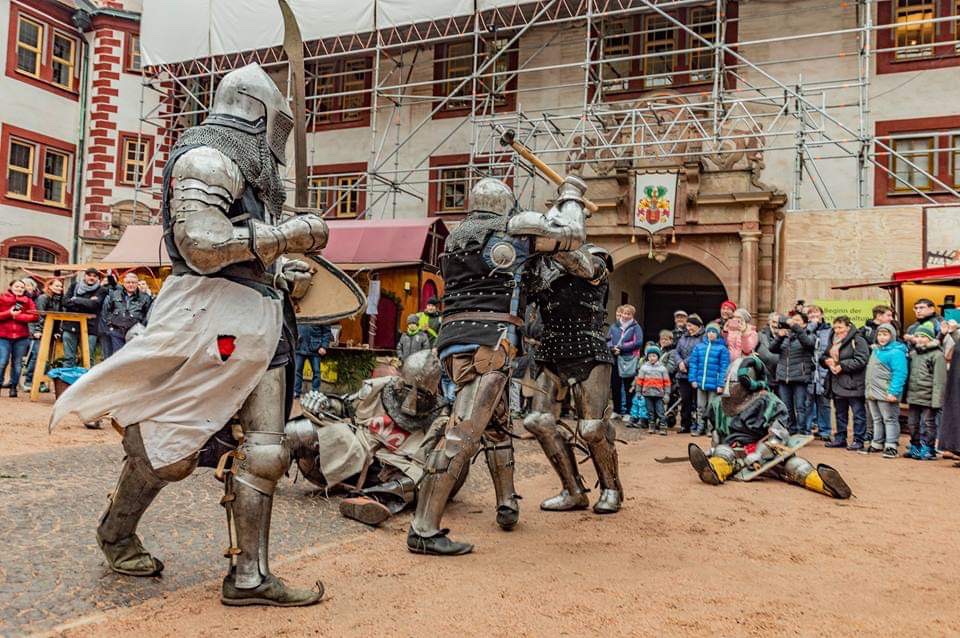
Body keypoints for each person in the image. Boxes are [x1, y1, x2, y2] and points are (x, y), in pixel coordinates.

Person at [49, 64, 328, 606]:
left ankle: (249, 576)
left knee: (265, 452)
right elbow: (202, 244)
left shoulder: (252, 171)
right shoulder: (208, 155)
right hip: (205, 313)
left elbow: (246, 254)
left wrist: (280, 269)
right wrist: (286, 234)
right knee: (165, 448)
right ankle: (117, 531)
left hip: (262, 319)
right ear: (258, 110)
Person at [407, 174, 590, 556]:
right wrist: (570, 195)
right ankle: (423, 528)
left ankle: (507, 502)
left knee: (495, 424)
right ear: (505, 203)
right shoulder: (513, 227)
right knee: (464, 431)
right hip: (490, 341)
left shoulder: (457, 237)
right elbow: (573, 235)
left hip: (456, 338)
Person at [285, 351, 451, 526]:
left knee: (424, 479)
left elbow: (443, 464)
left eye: (420, 394)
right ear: (401, 378)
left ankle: (374, 499)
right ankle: (265, 470)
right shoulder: (380, 387)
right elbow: (346, 407)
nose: (410, 399)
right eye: (407, 388)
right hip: (358, 449)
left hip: (393, 469)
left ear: (433, 390)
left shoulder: (441, 416)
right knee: (298, 430)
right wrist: (326, 403)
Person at [523, 244, 622, 514]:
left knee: (591, 428)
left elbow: (585, 267)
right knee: (537, 421)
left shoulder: (595, 256)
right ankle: (573, 490)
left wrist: (551, 244)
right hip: (551, 350)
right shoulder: (540, 267)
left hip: (588, 349)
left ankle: (611, 488)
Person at [687, 355, 852, 499]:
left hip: (766, 453)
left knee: (795, 465)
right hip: (735, 453)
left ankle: (826, 485)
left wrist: (759, 453)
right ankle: (714, 470)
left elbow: (779, 434)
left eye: (735, 382)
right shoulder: (718, 404)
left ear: (748, 383)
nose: (730, 387)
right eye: (728, 382)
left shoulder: (768, 401)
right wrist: (714, 449)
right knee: (724, 453)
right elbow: (718, 433)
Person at [821, 316, 870, 450]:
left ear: (848, 327)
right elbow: (824, 355)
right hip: (836, 382)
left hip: (854, 382)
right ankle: (840, 438)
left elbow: (862, 360)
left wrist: (842, 365)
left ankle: (858, 440)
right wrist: (827, 361)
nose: (837, 330)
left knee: (858, 414)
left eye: (840, 327)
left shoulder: (858, 340)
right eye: (835, 327)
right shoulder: (833, 339)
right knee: (840, 413)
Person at [862, 323, 908, 458]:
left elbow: (900, 373)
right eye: (880, 334)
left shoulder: (896, 352)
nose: (882, 337)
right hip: (872, 391)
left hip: (886, 392)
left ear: (892, 336)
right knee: (876, 418)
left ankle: (891, 445)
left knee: (890, 418)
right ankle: (877, 442)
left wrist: (893, 392)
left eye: (885, 334)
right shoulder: (876, 350)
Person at [904, 323, 946, 460]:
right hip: (914, 395)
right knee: (912, 423)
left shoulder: (937, 355)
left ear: (930, 338)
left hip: (928, 396)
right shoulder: (914, 354)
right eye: (918, 336)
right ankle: (915, 446)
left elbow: (939, 380)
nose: (920, 339)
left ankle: (929, 448)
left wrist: (937, 400)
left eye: (924, 336)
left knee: (928, 423)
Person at [769, 312, 815, 434]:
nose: (793, 323)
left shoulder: (809, 335)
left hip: (800, 377)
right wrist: (780, 336)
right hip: (784, 377)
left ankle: (802, 430)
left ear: (805, 324)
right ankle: (791, 429)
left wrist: (795, 327)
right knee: (786, 406)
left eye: (798, 321)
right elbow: (772, 349)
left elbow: (809, 344)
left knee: (800, 406)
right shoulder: (786, 337)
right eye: (792, 320)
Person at [688, 323, 729, 436]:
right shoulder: (699, 347)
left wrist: (721, 384)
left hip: (714, 384)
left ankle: (710, 428)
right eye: (709, 332)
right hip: (701, 382)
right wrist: (693, 379)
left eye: (714, 332)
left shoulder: (722, 349)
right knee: (700, 406)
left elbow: (723, 367)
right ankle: (700, 426)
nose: (711, 334)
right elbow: (693, 364)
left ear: (717, 334)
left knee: (712, 407)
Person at [23, 279, 64, 392]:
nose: (59, 288)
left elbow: (58, 317)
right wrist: (38, 330)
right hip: (40, 330)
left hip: (51, 331)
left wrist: (57, 331)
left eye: (60, 286)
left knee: (46, 358)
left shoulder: (59, 300)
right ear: (49, 286)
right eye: (57, 286)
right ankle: (28, 381)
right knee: (37, 355)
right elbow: (40, 315)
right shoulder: (43, 298)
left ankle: (40, 382)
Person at [0, 280, 39, 397]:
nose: (19, 289)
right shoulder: (2, 298)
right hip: (3, 336)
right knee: (2, 362)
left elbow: (35, 316)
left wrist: (19, 316)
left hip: (21, 337)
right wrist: (9, 313)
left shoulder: (28, 301)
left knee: (17, 364)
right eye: (17, 286)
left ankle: (13, 387)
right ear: (11, 287)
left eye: (22, 287)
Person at [101, 272, 153, 356]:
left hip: (134, 332)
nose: (131, 285)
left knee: (132, 357)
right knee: (118, 356)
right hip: (116, 331)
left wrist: (142, 327)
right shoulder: (114, 294)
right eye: (128, 282)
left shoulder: (145, 297)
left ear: (137, 283)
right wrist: (109, 324)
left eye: (133, 282)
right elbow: (106, 310)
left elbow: (148, 314)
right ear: (124, 283)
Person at [62, 268, 105, 366]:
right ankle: (68, 381)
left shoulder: (101, 290)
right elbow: (65, 302)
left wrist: (75, 299)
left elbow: (94, 305)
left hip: (90, 328)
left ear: (98, 278)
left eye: (94, 276)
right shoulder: (74, 286)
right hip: (71, 325)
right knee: (69, 358)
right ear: (84, 276)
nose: (91, 278)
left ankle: (87, 381)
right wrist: (87, 302)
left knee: (87, 359)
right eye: (89, 275)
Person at [607, 304, 642, 417]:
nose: (626, 316)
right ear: (621, 313)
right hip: (615, 358)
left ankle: (628, 411)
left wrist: (621, 348)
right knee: (615, 384)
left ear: (632, 315)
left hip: (628, 359)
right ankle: (616, 410)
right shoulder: (614, 326)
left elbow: (638, 342)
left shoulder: (636, 327)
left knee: (628, 386)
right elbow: (608, 339)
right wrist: (612, 348)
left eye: (629, 314)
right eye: (624, 313)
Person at [805, 305, 833, 440]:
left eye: (816, 313)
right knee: (807, 402)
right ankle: (807, 428)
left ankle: (825, 430)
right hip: (807, 370)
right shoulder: (805, 330)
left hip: (823, 370)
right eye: (810, 313)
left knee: (824, 403)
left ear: (822, 315)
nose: (813, 316)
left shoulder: (829, 330)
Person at [675, 315, 704, 433]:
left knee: (697, 402)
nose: (689, 328)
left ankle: (698, 424)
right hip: (682, 374)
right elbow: (676, 352)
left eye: (690, 325)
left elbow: (698, 353)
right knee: (685, 400)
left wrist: (684, 363)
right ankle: (685, 424)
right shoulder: (683, 337)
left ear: (697, 326)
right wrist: (679, 362)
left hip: (696, 373)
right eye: (687, 326)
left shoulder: (703, 338)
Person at [635, 344, 671, 435]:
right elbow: (639, 381)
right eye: (650, 356)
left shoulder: (662, 369)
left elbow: (667, 382)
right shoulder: (644, 368)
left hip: (659, 394)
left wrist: (667, 394)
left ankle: (663, 426)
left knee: (660, 411)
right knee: (650, 411)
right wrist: (638, 392)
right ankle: (652, 426)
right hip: (647, 393)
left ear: (658, 357)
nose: (652, 358)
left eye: (654, 356)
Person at [294, 321, 333, 398]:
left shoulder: (321, 314)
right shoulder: (299, 311)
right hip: (300, 347)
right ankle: (296, 391)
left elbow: (326, 332)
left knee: (316, 372)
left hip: (315, 348)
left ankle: (315, 392)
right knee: (297, 371)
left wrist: (324, 346)